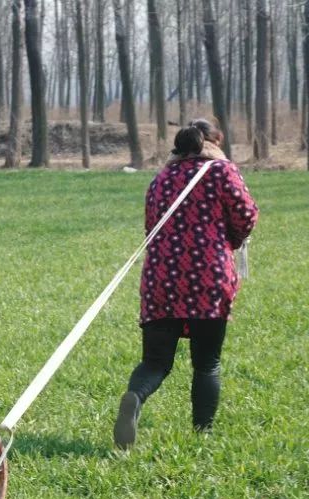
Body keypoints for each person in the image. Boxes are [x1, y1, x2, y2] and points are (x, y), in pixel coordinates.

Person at [114, 122, 258, 449]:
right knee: (207, 363)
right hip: (208, 276)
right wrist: (230, 241)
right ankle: (202, 434)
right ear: (214, 143)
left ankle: (135, 396)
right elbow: (246, 215)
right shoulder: (222, 171)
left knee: (155, 361)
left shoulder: (162, 177)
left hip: (161, 278)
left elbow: (151, 226)